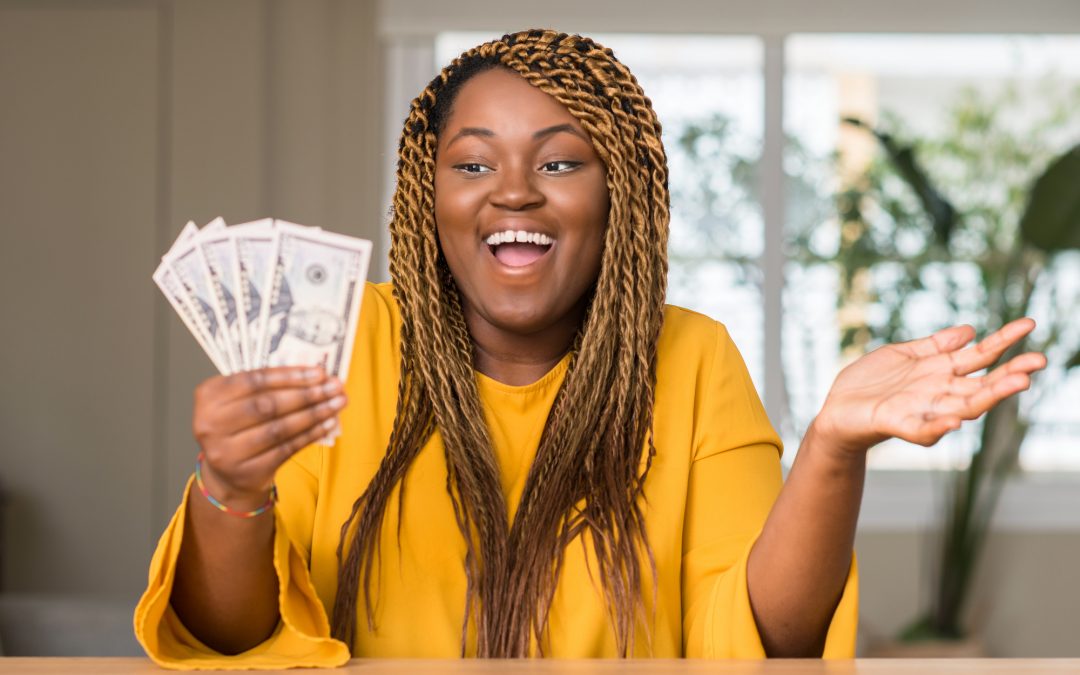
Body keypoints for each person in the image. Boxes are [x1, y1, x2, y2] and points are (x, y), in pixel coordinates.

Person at [134, 29, 1046, 667]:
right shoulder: (340, 341)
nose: (515, 193)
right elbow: (235, 643)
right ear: (428, 194)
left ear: (622, 199)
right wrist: (231, 491)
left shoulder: (691, 360)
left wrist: (833, 448)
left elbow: (767, 643)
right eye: (474, 163)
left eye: (561, 162)